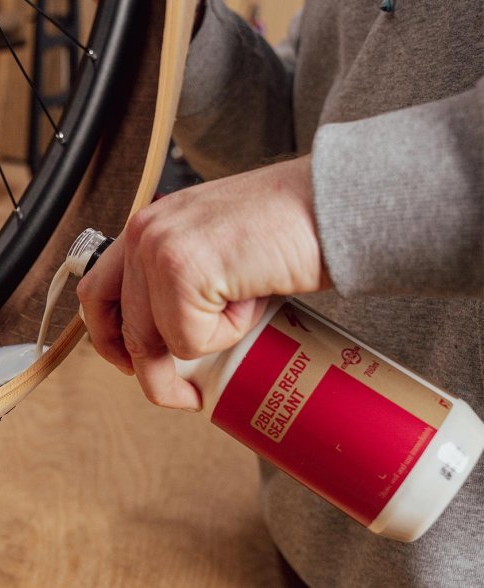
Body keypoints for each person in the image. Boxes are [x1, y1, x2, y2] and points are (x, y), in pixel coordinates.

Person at [76, 1, 483, 585]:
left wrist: (320, 205)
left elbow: (305, 187)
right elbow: (306, 126)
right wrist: (187, 33)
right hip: (308, 532)